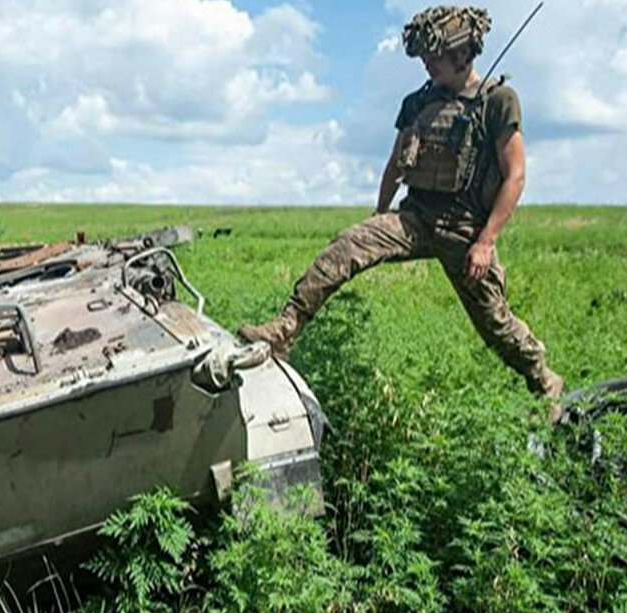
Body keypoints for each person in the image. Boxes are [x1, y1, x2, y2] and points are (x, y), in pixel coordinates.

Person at [238, 5, 563, 404]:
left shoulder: (498, 101)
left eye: (435, 57)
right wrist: (377, 220)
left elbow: (515, 176)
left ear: (462, 54)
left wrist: (486, 241)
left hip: (465, 230)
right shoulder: (416, 104)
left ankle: (545, 382)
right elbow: (395, 165)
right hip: (416, 218)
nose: (427, 65)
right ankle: (283, 331)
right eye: (424, 57)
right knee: (345, 247)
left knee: (494, 323)